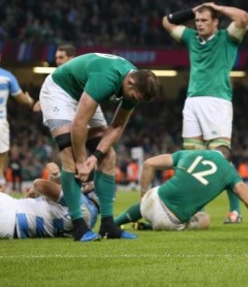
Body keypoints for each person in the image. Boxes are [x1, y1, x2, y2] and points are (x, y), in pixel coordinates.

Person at [39, 52, 160, 241]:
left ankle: (108, 225)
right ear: (130, 83)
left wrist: (94, 156)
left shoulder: (135, 86)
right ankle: (79, 227)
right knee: (69, 156)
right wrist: (81, 161)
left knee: (108, 156)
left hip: (84, 93)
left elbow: (118, 125)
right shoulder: (106, 79)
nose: (136, 100)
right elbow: (79, 123)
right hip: (59, 92)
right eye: (136, 96)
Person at [162, 1, 248, 224]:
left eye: (204, 20)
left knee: (220, 158)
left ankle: (234, 210)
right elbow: (167, 22)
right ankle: (189, 209)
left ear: (216, 22)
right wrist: (192, 11)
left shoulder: (227, 38)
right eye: (197, 21)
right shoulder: (191, 37)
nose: (199, 24)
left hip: (217, 102)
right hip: (192, 101)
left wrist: (217, 7)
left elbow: (243, 18)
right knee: (192, 159)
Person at [114, 149, 248, 232]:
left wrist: (144, 198)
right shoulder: (229, 170)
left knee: (156, 195)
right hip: (170, 222)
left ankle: (114, 223)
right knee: (205, 218)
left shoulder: (189, 153)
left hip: (150, 203)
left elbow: (148, 164)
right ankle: (151, 227)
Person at [0, 163, 99, 239]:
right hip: (14, 223)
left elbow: (39, 185)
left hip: (10, 212)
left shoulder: (81, 202)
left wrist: (56, 177)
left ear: (88, 186)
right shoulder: (89, 222)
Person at [0, 59, 37, 189]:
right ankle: (1, 181)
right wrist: (29, 100)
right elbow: (22, 99)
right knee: (2, 152)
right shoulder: (7, 77)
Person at [33, 44, 76, 113]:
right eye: (56, 58)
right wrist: (42, 101)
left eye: (61, 57)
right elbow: (37, 107)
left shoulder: (82, 75)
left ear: (71, 58)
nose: (57, 61)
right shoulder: (53, 77)